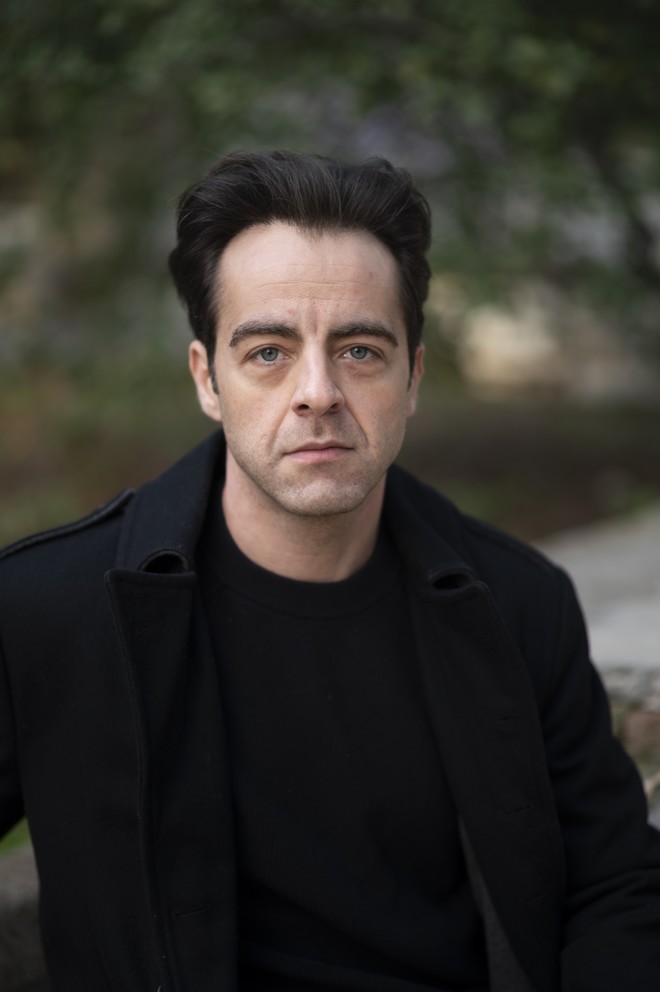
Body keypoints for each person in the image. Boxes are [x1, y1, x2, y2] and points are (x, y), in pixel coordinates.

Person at [1, 150, 659, 992]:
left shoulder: (521, 602)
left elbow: (615, 884)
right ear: (208, 379)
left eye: (359, 350)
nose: (318, 391)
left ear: (413, 377)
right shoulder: (50, 609)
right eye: (268, 352)